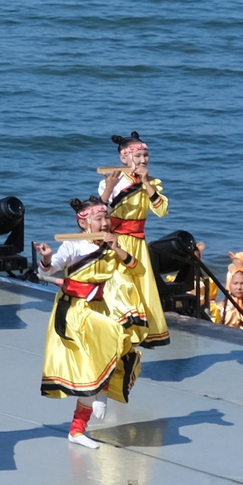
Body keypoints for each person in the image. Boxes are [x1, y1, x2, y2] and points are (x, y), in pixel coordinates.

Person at [37, 194, 144, 447]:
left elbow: (137, 269)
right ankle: (101, 394)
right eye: (99, 219)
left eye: (106, 217)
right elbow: (46, 271)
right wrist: (47, 258)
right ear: (84, 223)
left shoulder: (111, 245)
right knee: (114, 336)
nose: (105, 223)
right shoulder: (74, 246)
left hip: (98, 306)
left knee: (106, 360)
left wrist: (117, 248)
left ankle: (77, 430)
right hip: (75, 310)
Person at [98, 133, 171, 348]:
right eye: (137, 155)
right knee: (120, 286)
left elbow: (162, 211)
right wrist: (110, 188)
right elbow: (100, 211)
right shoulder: (112, 181)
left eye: (145, 155)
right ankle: (118, 331)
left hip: (138, 244)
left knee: (141, 290)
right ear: (124, 158)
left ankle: (136, 336)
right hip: (116, 242)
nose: (143, 159)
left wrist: (146, 182)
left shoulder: (153, 183)